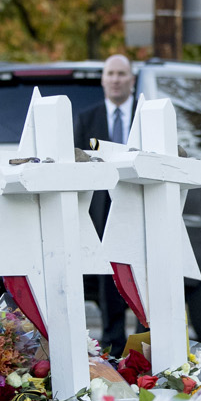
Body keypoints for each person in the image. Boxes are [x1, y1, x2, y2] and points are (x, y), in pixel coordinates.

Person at [74, 53, 137, 355]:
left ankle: (143, 343)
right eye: (110, 73)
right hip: (101, 209)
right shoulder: (87, 118)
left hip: (139, 207)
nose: (115, 79)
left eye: (121, 74)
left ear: (132, 79)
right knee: (109, 275)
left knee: (140, 275)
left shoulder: (144, 114)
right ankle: (113, 345)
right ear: (102, 79)